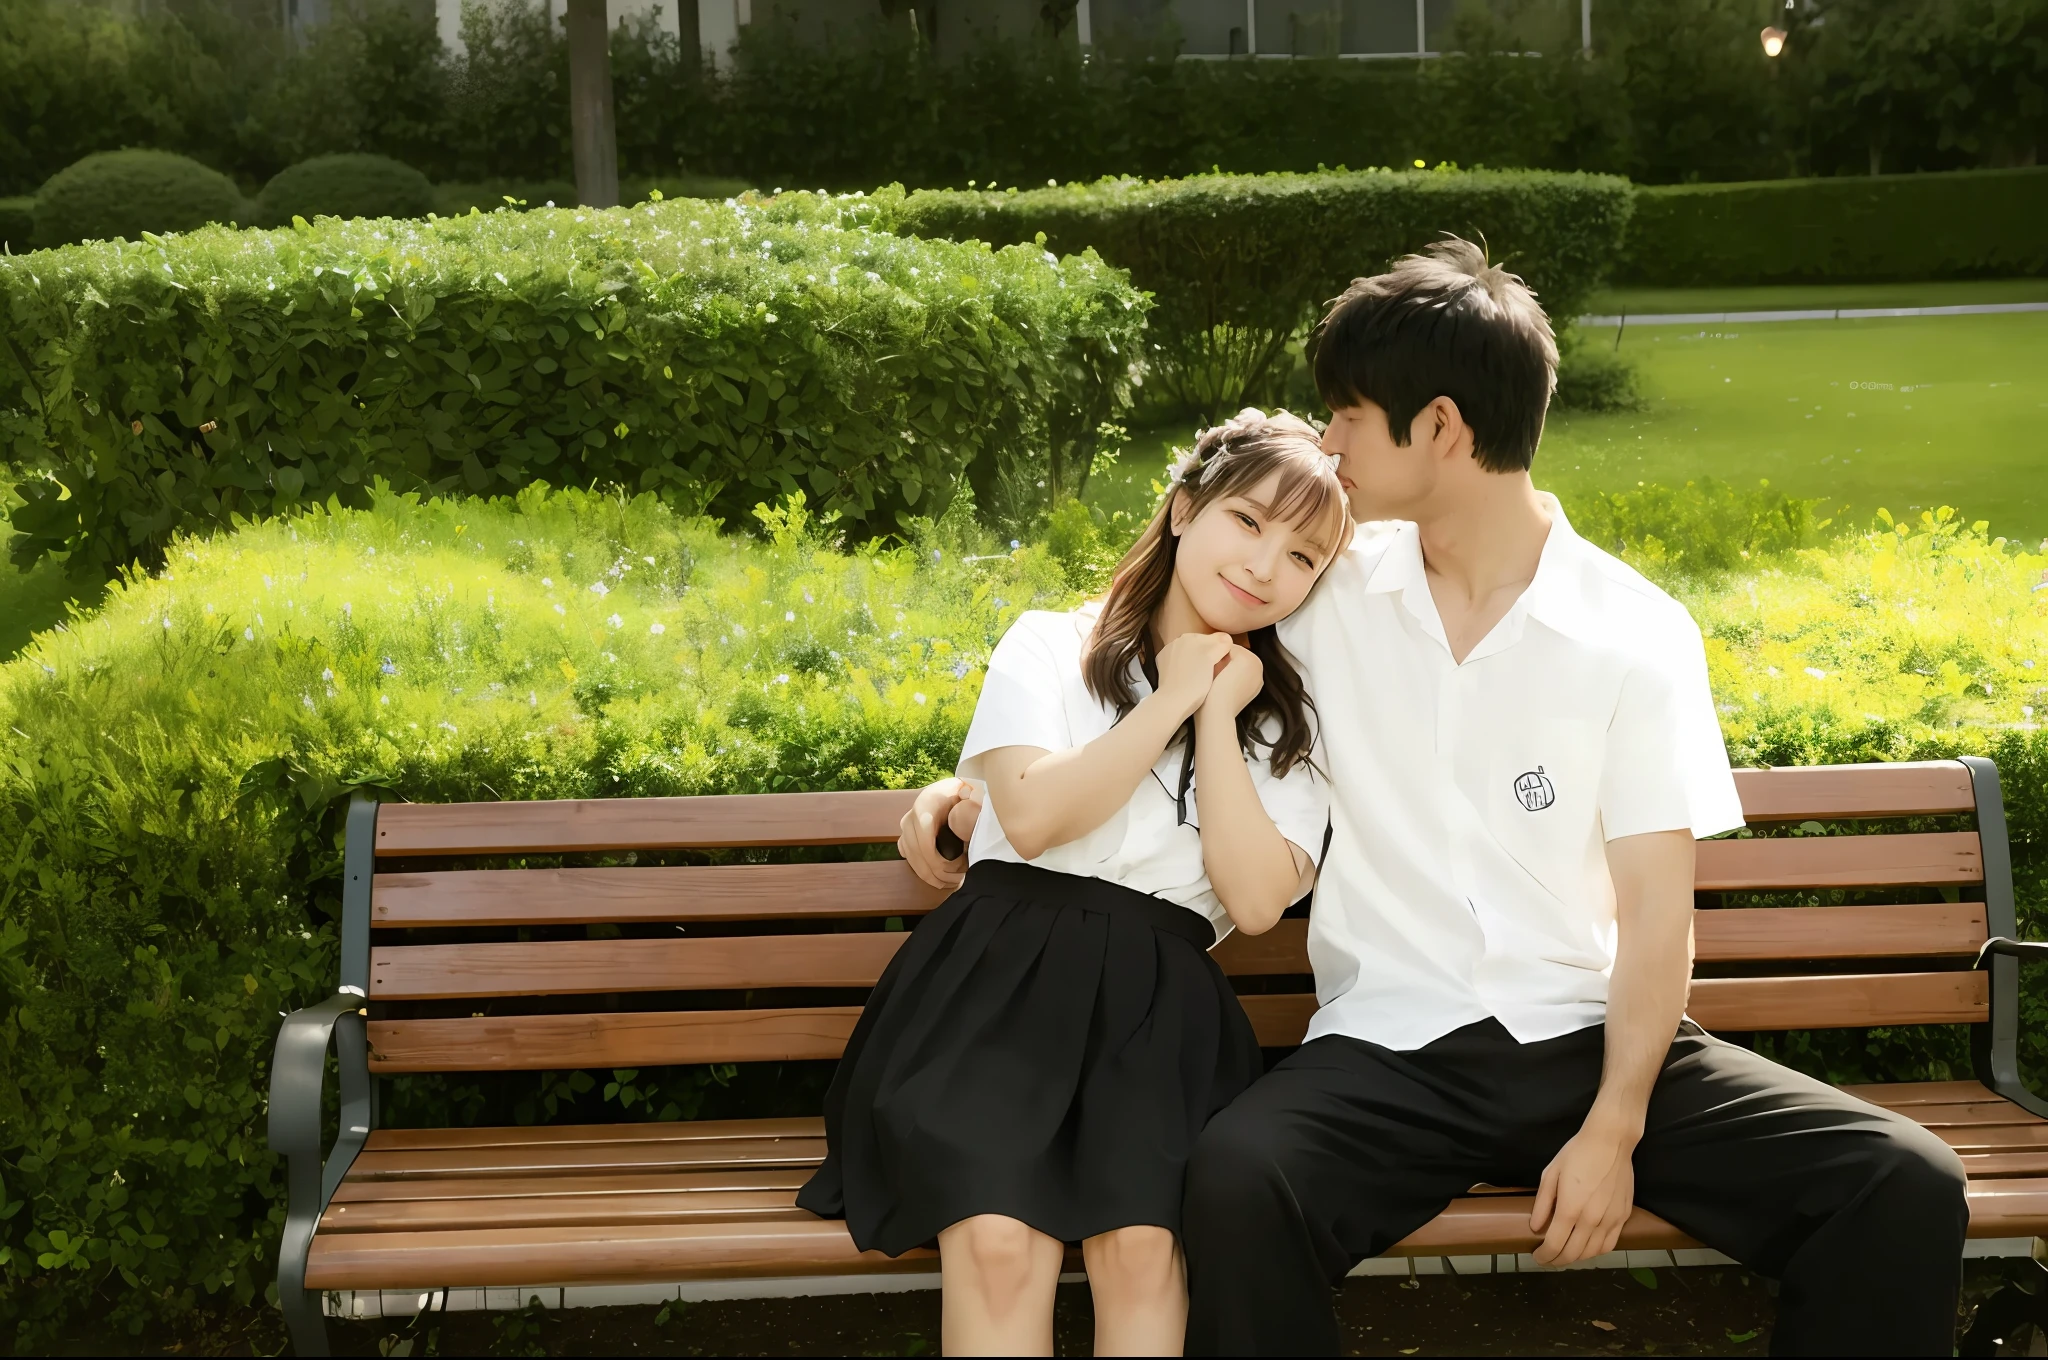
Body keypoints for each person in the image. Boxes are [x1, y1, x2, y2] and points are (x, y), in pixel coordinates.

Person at [897, 239, 1971, 1357]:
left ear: (1442, 429)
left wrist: (1614, 1127)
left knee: (1898, 1180)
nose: (1327, 444)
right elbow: (1137, 641)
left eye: (1348, 416)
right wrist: (964, 789)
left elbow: (1658, 913)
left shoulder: (1631, 632)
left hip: (1587, 1036)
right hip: (1386, 1049)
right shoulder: (1323, 590)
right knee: (1234, 1177)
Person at [798, 411, 1352, 1356]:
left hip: (1157, 1011)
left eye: (1303, 557)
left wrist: (1220, 714)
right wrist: (1175, 692)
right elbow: (1034, 817)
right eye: (1249, 522)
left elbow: (1256, 902)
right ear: (1184, 509)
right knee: (999, 1242)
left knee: (1141, 1247)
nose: (1266, 568)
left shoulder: (1292, 731)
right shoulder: (1052, 646)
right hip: (993, 984)